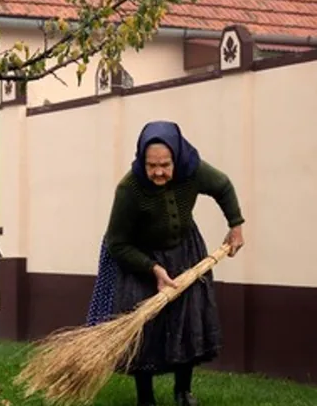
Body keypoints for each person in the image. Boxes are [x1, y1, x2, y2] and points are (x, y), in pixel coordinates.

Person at [85, 120, 245, 406]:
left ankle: (183, 392)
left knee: (187, 320)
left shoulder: (192, 169)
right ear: (142, 161)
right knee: (144, 327)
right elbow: (117, 243)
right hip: (141, 260)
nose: (159, 172)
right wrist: (154, 269)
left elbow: (223, 186)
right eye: (151, 165)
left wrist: (236, 225)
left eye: (165, 164)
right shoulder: (129, 189)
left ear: (177, 158)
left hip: (186, 253)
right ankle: (145, 398)